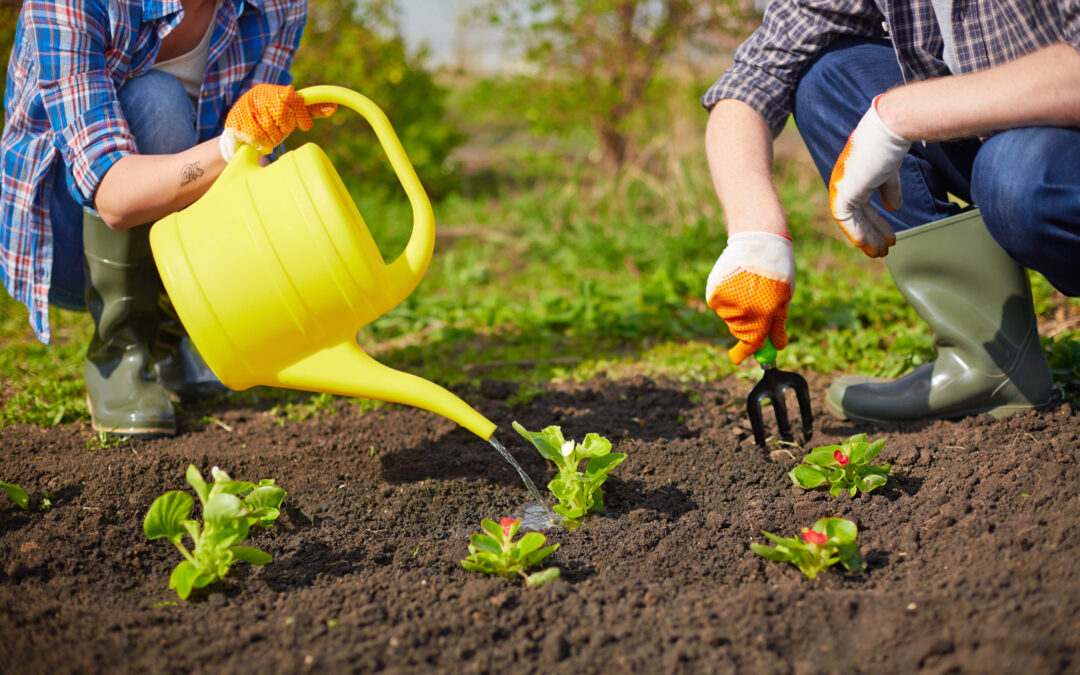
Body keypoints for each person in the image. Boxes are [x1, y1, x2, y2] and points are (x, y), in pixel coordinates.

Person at [701, 0, 1080, 424]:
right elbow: (756, 76)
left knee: (1014, 174)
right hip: (1004, 138)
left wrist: (898, 116)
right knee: (829, 79)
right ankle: (990, 362)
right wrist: (756, 231)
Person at [2, 0, 335, 437]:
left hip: (178, 227)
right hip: (61, 239)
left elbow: (253, 153)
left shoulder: (277, 6)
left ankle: (178, 328)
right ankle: (121, 349)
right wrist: (228, 148)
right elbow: (113, 195)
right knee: (156, 101)